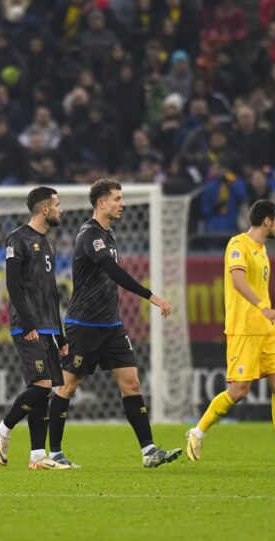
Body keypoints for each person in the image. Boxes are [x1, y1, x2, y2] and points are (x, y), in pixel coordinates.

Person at [46, 179, 181, 469]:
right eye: (117, 198)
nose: (123, 203)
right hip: (84, 325)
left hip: (111, 326)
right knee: (69, 386)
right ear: (101, 203)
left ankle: (149, 451)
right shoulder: (90, 235)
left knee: (131, 382)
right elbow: (112, 271)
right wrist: (151, 296)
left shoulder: (108, 234)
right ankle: (53, 453)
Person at [185, 200, 275, 463]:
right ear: (266, 220)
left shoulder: (263, 249)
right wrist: (263, 307)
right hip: (244, 328)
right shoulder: (237, 244)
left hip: (265, 329)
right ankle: (197, 432)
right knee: (239, 391)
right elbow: (237, 280)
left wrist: (265, 313)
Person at [0, 186, 74, 470]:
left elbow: (51, 292)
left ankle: (38, 456)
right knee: (42, 385)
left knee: (45, 390)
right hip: (28, 325)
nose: (61, 209)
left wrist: (60, 334)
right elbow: (12, 283)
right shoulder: (17, 239)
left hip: (48, 327)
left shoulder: (47, 242)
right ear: (45, 209)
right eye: (58, 205)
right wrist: (27, 323)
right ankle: (3, 427)